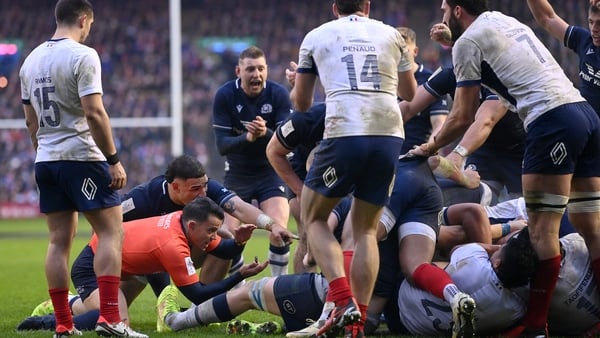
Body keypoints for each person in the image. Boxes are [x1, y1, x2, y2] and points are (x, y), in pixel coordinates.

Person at [411, 1, 600, 336]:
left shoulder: (469, 41)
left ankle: (535, 326)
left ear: (457, 11)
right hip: (584, 114)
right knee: (590, 225)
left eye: (444, 10)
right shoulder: (502, 20)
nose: (440, 17)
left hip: (551, 121)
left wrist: (432, 146)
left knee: (542, 233)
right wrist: (452, 42)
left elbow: (463, 115)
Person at [292, 1, 417, 337]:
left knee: (314, 217)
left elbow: (302, 104)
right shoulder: (392, 34)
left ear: (335, 7)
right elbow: (410, 93)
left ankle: (343, 301)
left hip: (346, 130)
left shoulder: (317, 36)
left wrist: (299, 80)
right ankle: (358, 322)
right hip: (389, 134)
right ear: (368, 5)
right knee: (364, 231)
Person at [18, 0, 137, 336]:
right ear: (84, 19)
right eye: (90, 25)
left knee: (58, 242)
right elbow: (94, 113)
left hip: (47, 159)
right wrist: (113, 160)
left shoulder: (30, 61)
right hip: (82, 157)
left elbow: (31, 120)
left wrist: (42, 155)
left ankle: (63, 325)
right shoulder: (83, 55)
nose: (89, 31)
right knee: (112, 232)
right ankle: (111, 319)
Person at [17, 197, 268, 333]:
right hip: (92, 265)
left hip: (123, 264)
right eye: (212, 231)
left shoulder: (184, 219)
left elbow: (220, 248)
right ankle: (48, 321)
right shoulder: (173, 245)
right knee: (116, 322)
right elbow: (198, 293)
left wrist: (238, 242)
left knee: (119, 307)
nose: (215, 237)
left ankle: (71, 303)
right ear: (192, 226)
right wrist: (239, 277)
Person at [120, 154, 296, 298]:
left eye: (204, 186)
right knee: (102, 315)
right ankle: (167, 306)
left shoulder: (204, 187)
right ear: (175, 186)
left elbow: (239, 208)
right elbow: (109, 223)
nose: (203, 193)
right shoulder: (143, 199)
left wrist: (272, 226)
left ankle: (202, 307)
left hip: (176, 252)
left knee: (225, 235)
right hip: (137, 262)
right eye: (196, 189)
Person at [212, 46, 292, 277]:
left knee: (279, 231)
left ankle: (279, 288)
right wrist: (247, 137)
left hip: (271, 171)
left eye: (260, 69)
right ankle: (237, 291)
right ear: (238, 71)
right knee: (228, 234)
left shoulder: (278, 95)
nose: (256, 74)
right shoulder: (225, 95)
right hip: (237, 174)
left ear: (266, 70)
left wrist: (265, 133)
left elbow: (288, 140)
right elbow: (222, 146)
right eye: (250, 69)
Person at [266, 103, 325, 273]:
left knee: (346, 235)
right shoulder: (305, 118)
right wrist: (300, 191)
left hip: (343, 175)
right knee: (307, 236)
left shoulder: (362, 118)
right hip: (303, 177)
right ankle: (301, 292)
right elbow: (272, 151)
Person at [527, 0, 600, 114]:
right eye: (591, 22)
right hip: (587, 122)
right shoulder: (584, 40)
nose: (594, 29)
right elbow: (547, 18)